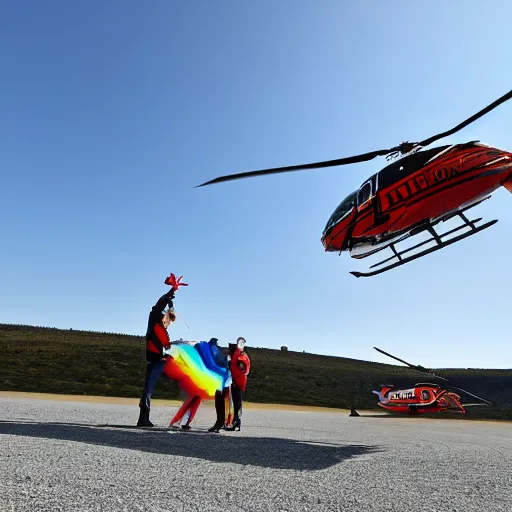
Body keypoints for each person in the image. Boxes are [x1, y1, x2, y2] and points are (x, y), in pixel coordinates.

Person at [137, 273, 188, 427]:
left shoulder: (160, 325)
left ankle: (143, 418)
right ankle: (143, 418)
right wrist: (171, 293)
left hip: (156, 358)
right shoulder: (154, 317)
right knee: (148, 388)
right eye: (168, 320)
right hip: (153, 359)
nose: (168, 323)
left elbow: (163, 343)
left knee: (149, 388)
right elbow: (159, 305)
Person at [225, 337, 250, 431]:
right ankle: (236, 422)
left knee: (237, 402)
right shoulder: (238, 354)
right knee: (236, 402)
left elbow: (242, 368)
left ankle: (236, 421)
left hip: (237, 381)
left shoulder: (240, 354)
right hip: (236, 380)